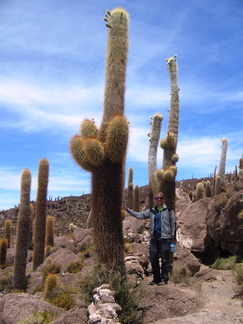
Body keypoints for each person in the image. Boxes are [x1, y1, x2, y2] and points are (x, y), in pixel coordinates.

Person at [125, 192, 176, 286]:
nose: (159, 200)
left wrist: (173, 237)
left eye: (160, 198)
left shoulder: (169, 210)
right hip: (154, 239)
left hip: (165, 239)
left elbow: (173, 224)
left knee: (165, 260)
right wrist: (129, 211)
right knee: (154, 259)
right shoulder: (152, 211)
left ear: (163, 199)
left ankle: (164, 279)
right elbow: (140, 215)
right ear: (155, 200)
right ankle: (156, 279)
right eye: (157, 198)